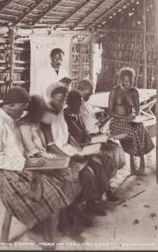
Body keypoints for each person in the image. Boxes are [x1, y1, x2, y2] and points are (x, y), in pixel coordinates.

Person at [0, 87, 77, 246]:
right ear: (10, 105)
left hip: (16, 165)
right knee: (50, 193)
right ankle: (45, 238)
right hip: (2, 172)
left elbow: (17, 149)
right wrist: (27, 163)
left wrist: (31, 160)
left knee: (59, 179)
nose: (24, 111)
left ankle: (48, 229)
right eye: (22, 107)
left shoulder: (10, 120)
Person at [40, 82, 109, 224]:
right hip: (56, 155)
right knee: (87, 173)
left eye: (63, 100)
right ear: (50, 98)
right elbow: (50, 145)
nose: (61, 103)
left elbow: (68, 137)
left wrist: (79, 149)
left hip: (67, 150)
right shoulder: (46, 116)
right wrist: (70, 157)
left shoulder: (60, 114)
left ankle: (89, 205)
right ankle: (73, 211)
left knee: (96, 164)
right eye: (58, 100)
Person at [64, 90, 119, 202]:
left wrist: (96, 139)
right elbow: (73, 139)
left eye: (80, 103)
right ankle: (94, 200)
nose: (80, 106)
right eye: (78, 104)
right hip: (76, 149)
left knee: (105, 158)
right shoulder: (66, 117)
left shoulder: (76, 114)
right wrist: (89, 145)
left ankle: (105, 192)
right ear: (70, 103)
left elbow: (85, 133)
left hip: (85, 145)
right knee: (98, 163)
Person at [108, 67, 155, 175]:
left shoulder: (134, 92)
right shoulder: (115, 92)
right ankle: (133, 165)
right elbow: (110, 112)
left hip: (131, 119)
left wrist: (133, 116)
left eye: (130, 81)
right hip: (117, 122)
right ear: (120, 80)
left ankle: (142, 161)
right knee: (133, 133)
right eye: (125, 81)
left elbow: (137, 110)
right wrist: (124, 117)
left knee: (141, 129)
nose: (128, 83)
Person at [76, 79, 126, 177]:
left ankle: (108, 176)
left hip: (95, 134)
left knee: (117, 147)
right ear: (82, 91)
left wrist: (107, 118)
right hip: (89, 139)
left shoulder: (86, 104)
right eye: (89, 92)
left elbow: (95, 125)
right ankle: (106, 178)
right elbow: (87, 130)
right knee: (112, 150)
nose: (91, 94)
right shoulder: (77, 107)